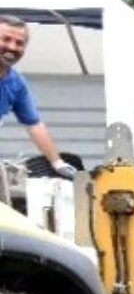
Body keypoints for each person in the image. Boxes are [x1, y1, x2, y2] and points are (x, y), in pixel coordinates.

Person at [0, 15, 77, 179]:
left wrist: (57, 163)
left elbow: (34, 125)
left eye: (19, 43)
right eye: (5, 39)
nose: (12, 47)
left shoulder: (16, 83)